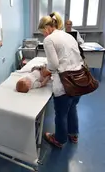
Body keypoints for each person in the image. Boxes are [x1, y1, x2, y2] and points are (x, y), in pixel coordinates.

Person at [38, 12, 84, 148]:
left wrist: (44, 72)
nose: (43, 35)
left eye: (42, 32)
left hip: (66, 83)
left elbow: (53, 65)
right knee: (72, 107)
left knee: (61, 113)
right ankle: (73, 134)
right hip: (80, 79)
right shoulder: (67, 36)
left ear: (47, 28)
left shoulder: (49, 39)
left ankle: (59, 140)